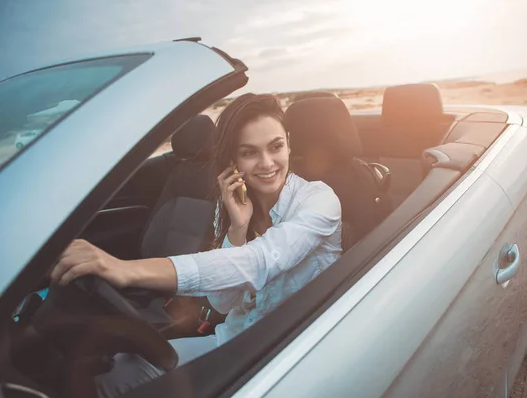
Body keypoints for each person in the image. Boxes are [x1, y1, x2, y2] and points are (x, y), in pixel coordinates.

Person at [50, 93, 342, 397]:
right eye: (249, 152)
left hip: (291, 349)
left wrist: (125, 269)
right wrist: (238, 228)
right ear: (234, 159)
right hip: (232, 340)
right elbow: (221, 304)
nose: (266, 163)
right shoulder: (232, 204)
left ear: (289, 143)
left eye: (275, 146)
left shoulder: (320, 201)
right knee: (116, 372)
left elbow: (260, 262)